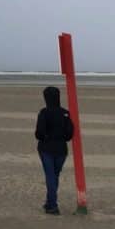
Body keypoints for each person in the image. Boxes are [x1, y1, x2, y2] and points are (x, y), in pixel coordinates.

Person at [35, 86, 74, 214]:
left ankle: (52, 205)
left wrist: (47, 137)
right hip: (61, 149)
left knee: (51, 176)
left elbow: (39, 133)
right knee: (54, 176)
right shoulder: (65, 113)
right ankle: (49, 202)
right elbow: (69, 134)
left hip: (47, 148)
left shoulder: (44, 112)